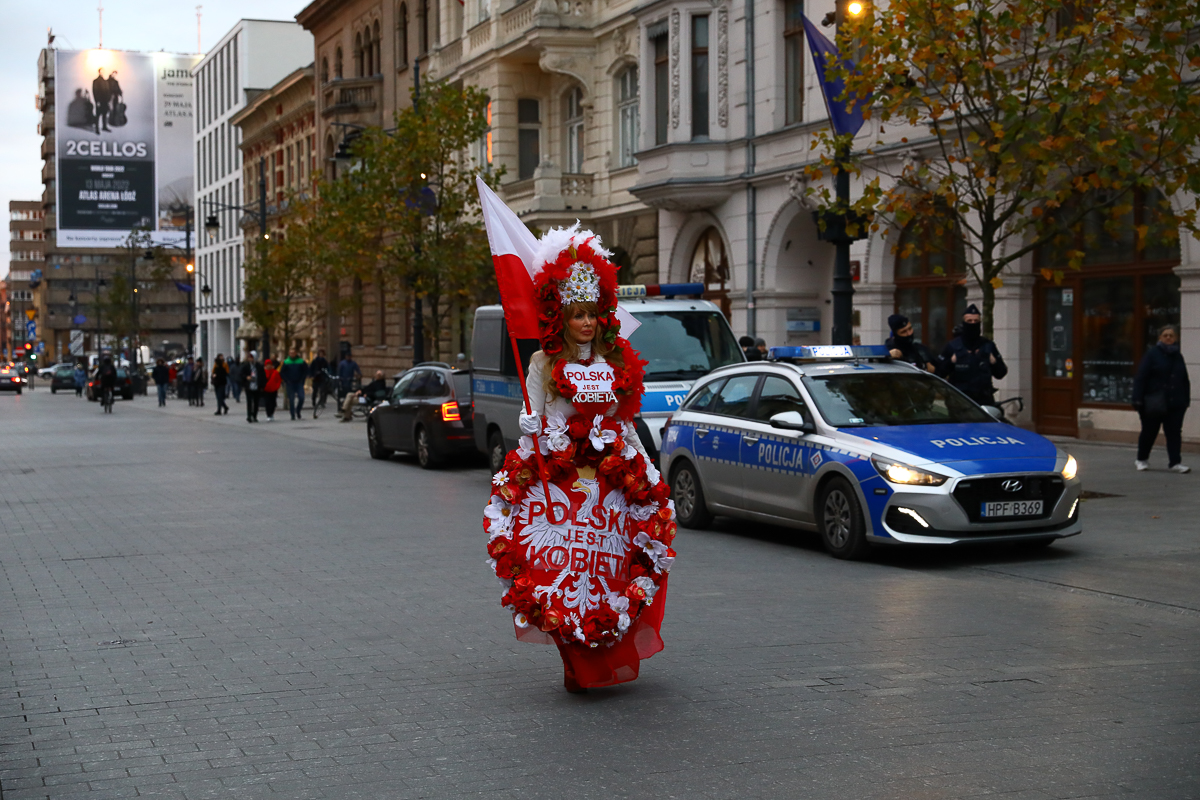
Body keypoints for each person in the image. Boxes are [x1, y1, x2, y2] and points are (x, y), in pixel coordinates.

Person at [482, 224, 675, 694]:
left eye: (592, 314)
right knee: (562, 566)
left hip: (612, 478)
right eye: (577, 315)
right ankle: (574, 656)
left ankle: (602, 644)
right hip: (560, 478)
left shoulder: (616, 363)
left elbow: (624, 421)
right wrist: (530, 432)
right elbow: (536, 416)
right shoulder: (543, 364)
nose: (586, 323)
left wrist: (642, 466)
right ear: (562, 318)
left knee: (605, 566)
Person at [1133, 324, 1190, 473]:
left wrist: (1185, 399)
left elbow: (1184, 379)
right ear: (1160, 338)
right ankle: (1142, 459)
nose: (1169, 338)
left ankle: (1175, 462)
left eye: (1171, 335)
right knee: (1149, 431)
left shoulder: (1178, 356)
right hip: (1154, 401)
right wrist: (1138, 399)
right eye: (1165, 335)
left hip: (1175, 402)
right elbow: (1141, 377)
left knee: (1174, 433)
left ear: (1176, 338)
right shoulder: (1152, 354)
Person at [937, 304, 1008, 405]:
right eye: (969, 321)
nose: (973, 324)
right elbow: (939, 373)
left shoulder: (988, 346)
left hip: (984, 400)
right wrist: (951, 362)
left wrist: (994, 361)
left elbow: (1001, 373)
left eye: (976, 321)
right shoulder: (953, 346)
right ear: (963, 323)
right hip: (959, 401)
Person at [280, 349, 308, 420]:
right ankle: (292, 414)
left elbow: (305, 371)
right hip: (290, 383)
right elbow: (282, 372)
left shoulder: (301, 361)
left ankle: (298, 410)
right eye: (290, 353)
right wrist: (286, 380)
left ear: (296, 353)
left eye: (293, 353)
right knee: (291, 400)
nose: (292, 354)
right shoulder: (286, 362)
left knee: (301, 397)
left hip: (299, 382)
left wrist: (302, 379)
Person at [239, 352, 265, 423]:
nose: (250, 359)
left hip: (257, 386)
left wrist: (262, 386)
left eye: (252, 357)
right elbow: (241, 374)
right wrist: (246, 377)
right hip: (249, 386)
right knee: (249, 401)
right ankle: (249, 415)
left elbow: (263, 376)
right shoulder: (246, 366)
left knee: (256, 402)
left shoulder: (259, 366)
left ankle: (254, 415)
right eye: (249, 357)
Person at [91, 69, 111, 134]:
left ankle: (104, 127)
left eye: (103, 71)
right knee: (98, 115)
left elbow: (108, 91)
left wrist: (108, 100)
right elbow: (95, 92)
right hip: (100, 101)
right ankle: (97, 129)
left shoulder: (105, 81)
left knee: (105, 114)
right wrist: (97, 101)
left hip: (105, 101)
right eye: (101, 71)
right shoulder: (96, 81)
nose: (102, 72)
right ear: (99, 72)